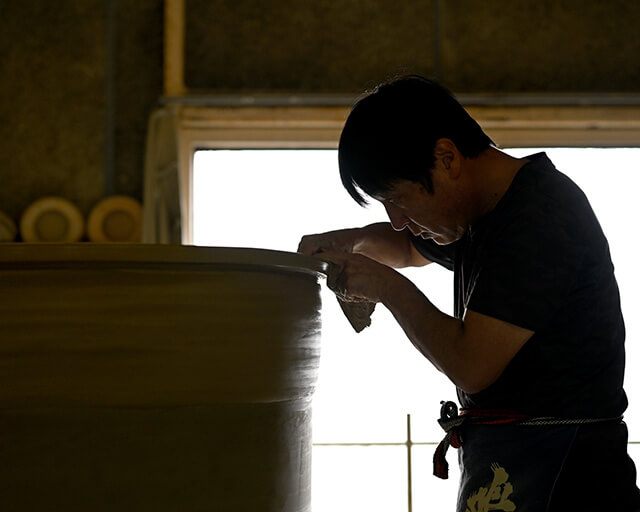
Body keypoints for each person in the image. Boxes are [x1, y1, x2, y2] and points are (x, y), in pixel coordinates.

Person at [298, 75, 640, 511]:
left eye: (397, 199)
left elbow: (471, 365)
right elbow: (407, 247)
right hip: (513, 457)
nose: (397, 219)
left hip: (566, 476)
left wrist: (386, 286)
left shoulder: (538, 217)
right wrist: (350, 241)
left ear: (446, 158)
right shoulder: (484, 215)